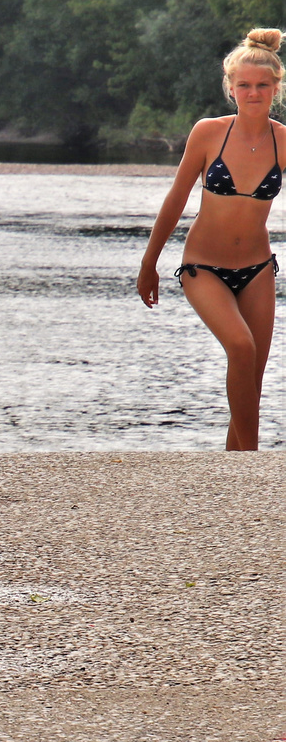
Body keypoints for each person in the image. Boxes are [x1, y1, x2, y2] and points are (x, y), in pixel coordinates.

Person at [138, 27, 285, 451]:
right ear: (231, 87)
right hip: (204, 267)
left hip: (258, 269)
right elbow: (175, 199)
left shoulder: (283, 141)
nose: (253, 93)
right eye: (244, 85)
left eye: (262, 85)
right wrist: (149, 264)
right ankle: (256, 468)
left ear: (276, 88)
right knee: (241, 348)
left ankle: (231, 476)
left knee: (252, 376)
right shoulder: (208, 133)